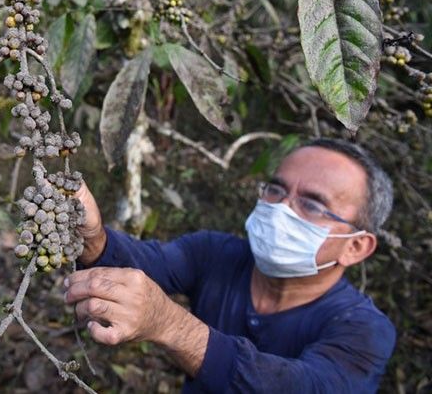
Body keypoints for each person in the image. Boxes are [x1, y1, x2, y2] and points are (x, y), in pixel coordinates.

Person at [65, 138, 396, 393]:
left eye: (311, 204)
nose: (282, 209)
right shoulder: (217, 253)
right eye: (276, 190)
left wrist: (170, 325)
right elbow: (144, 264)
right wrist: (94, 237)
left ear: (356, 246)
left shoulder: (364, 330)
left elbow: (303, 387)